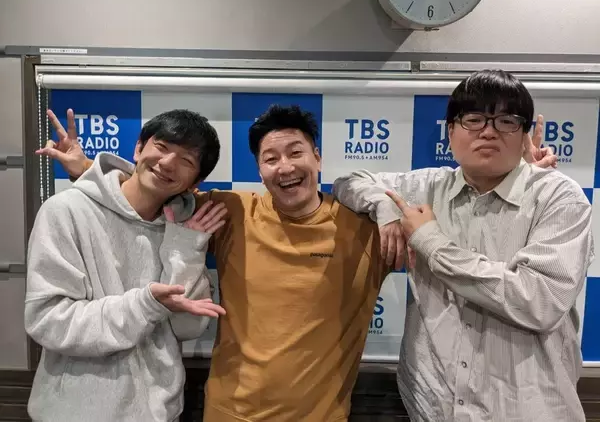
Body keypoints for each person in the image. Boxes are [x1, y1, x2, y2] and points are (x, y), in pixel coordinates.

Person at [42, 98, 555, 421]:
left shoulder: (367, 226)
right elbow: (154, 192)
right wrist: (88, 172)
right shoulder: (232, 212)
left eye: (295, 152)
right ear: (259, 169)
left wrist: (520, 179)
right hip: (227, 413)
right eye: (270, 158)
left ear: (318, 158)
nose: (284, 166)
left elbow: (468, 228)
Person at [332, 69, 593, 421]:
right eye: (473, 119)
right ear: (450, 131)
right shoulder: (426, 188)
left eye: (506, 121)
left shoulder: (558, 197)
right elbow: (349, 181)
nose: (488, 131)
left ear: (524, 136)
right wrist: (385, 206)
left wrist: (430, 241)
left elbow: (538, 301)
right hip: (434, 409)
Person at [25, 109, 227, 422]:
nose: (167, 163)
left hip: (159, 412)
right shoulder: (65, 211)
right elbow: (48, 321)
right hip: (75, 412)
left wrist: (186, 250)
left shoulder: (184, 229)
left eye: (186, 160)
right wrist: (143, 305)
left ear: (195, 182)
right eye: (162, 147)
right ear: (138, 148)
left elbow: (187, 327)